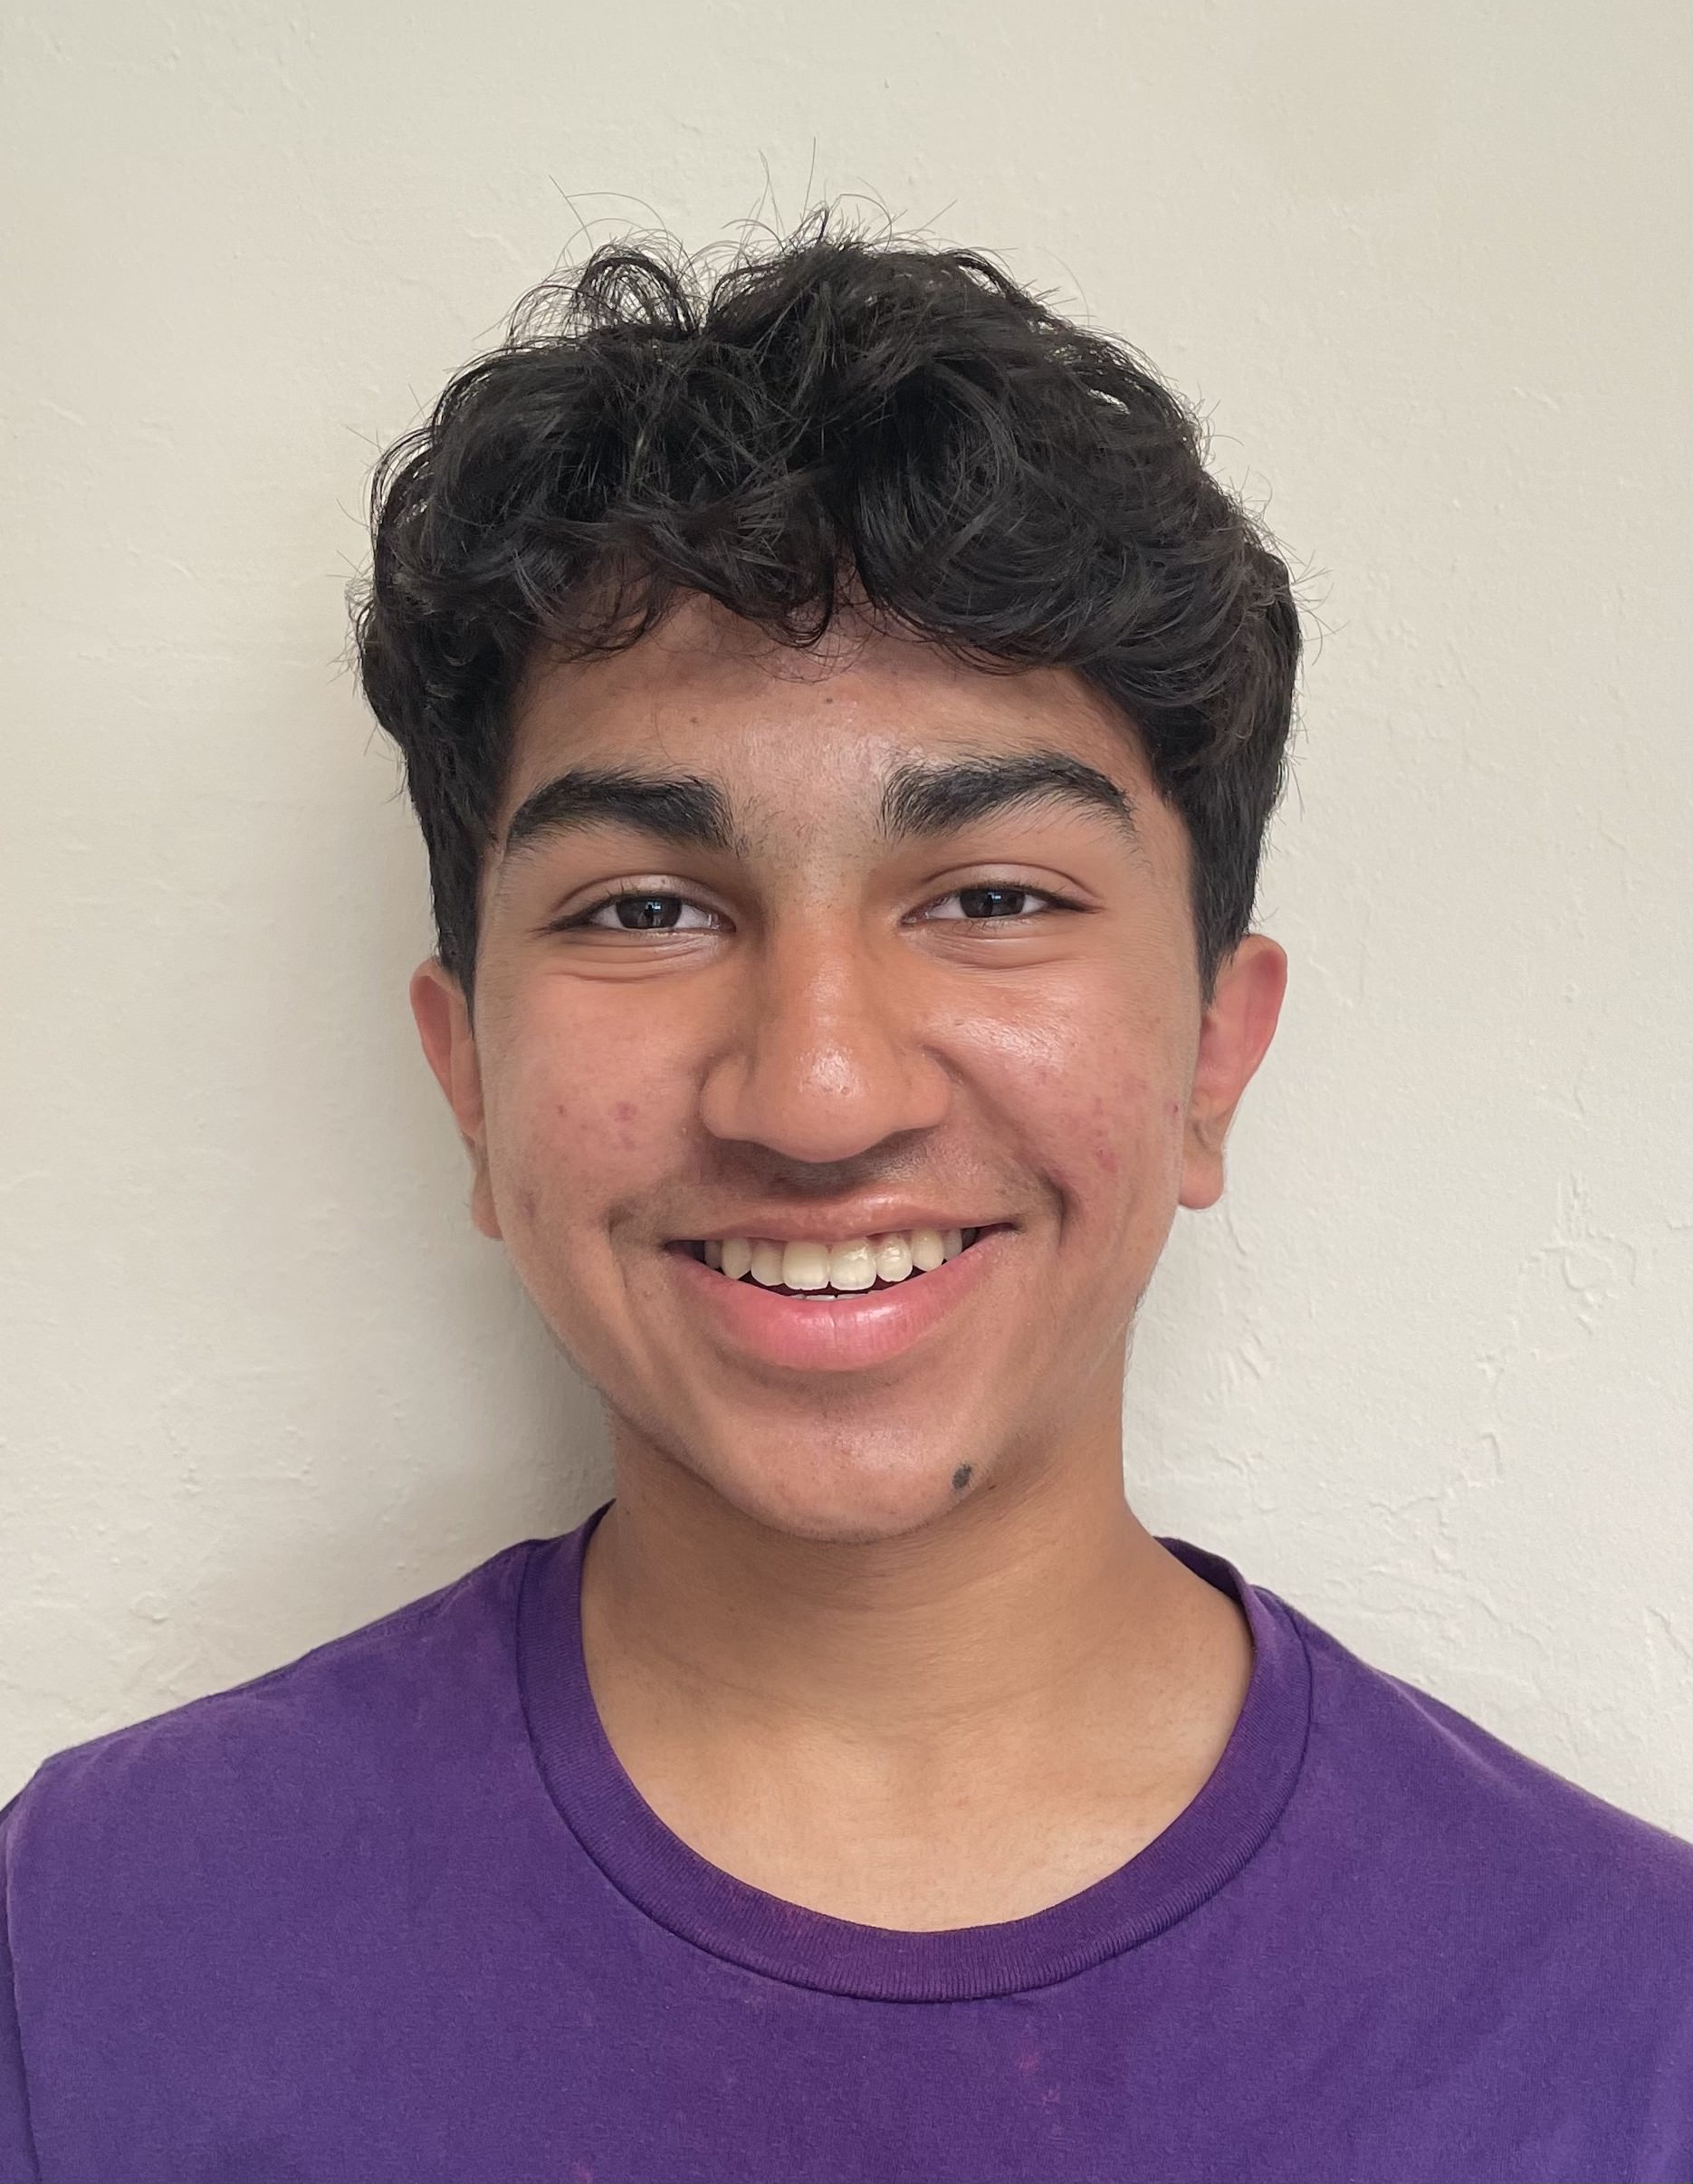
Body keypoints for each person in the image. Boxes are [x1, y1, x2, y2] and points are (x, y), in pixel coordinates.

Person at [2, 216, 1688, 2184]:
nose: (816, 1092)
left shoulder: (1626, 2023)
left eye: (992, 895)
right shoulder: (94, 1949)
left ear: (1212, 1054)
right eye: (645, 908)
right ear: (467, 1077)